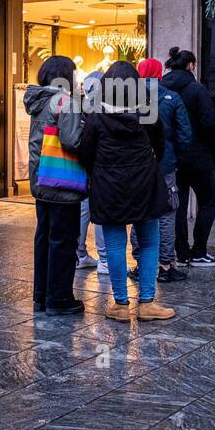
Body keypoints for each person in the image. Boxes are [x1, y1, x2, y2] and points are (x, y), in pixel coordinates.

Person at [79, 61, 175, 321]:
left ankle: (120, 304)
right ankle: (147, 303)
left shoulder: (96, 114)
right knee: (149, 241)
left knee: (115, 244)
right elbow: (160, 146)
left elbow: (85, 151)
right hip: (145, 181)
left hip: (109, 185)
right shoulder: (147, 111)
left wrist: (99, 170)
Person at [25, 55, 87, 314]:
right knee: (63, 240)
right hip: (62, 183)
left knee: (44, 237)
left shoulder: (38, 101)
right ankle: (59, 298)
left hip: (41, 179)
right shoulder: (65, 102)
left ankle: (41, 295)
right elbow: (72, 141)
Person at [161, 47, 215, 267]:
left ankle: (181, 251)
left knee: (177, 204)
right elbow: (210, 123)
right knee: (210, 202)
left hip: (171, 156)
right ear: (191, 66)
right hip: (198, 156)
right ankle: (198, 251)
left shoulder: (160, 88)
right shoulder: (197, 89)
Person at [132, 57, 192, 282]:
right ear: (159, 74)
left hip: (137, 165)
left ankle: (140, 264)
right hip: (165, 163)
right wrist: (176, 157)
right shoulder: (171, 97)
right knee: (167, 211)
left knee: (139, 211)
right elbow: (185, 134)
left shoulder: (128, 97)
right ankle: (165, 265)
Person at [76, 70, 108, 273]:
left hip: (82, 165)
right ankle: (104, 258)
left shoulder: (80, 108)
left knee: (84, 209)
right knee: (100, 211)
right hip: (100, 167)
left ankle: (78, 254)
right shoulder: (104, 109)